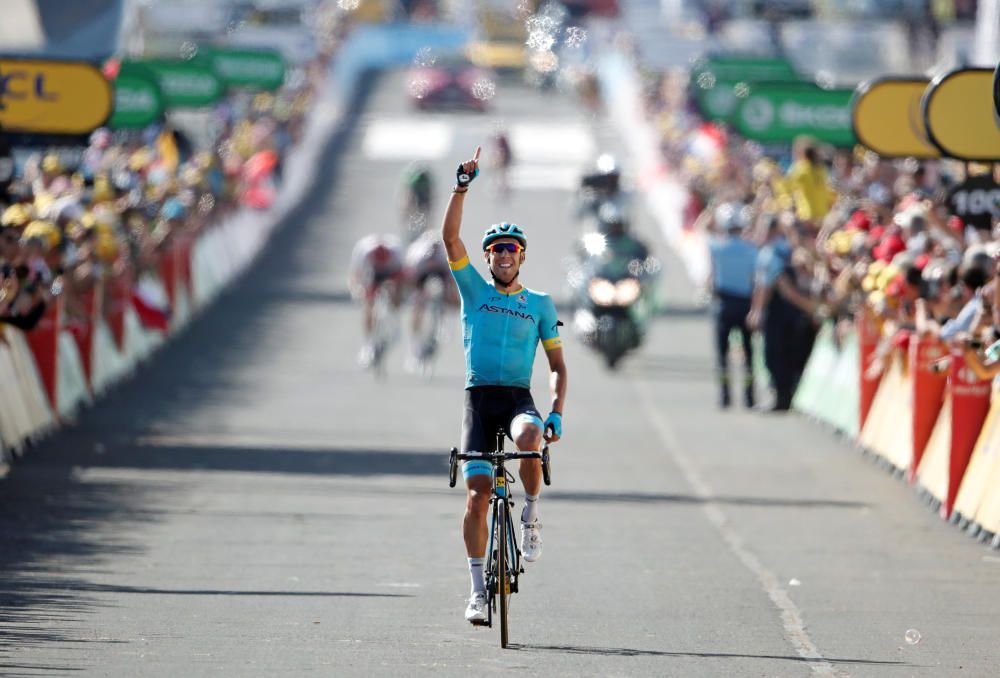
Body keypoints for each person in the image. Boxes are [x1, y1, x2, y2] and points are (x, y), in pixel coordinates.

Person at [442, 147, 567, 624]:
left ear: (523, 256)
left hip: (518, 398)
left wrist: (556, 409)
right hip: (479, 398)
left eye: (512, 249)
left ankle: (531, 514)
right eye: (496, 249)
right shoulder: (474, 289)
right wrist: (461, 187)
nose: (504, 255)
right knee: (476, 492)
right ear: (489, 256)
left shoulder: (539, 303)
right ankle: (476, 592)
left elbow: (557, 365)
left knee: (531, 440)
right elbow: (451, 238)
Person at [707, 203, 758, 408]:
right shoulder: (751, 249)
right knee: (748, 352)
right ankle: (749, 397)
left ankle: (725, 396)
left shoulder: (716, 246)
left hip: (723, 303)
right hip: (745, 303)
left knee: (722, 355)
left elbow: (704, 227)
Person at [403, 228, 458, 366]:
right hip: (420, 272)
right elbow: (410, 283)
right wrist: (418, 297)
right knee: (417, 303)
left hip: (441, 270)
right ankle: (415, 342)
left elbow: (453, 280)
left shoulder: (445, 256)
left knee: (451, 296)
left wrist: (452, 297)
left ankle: (444, 322)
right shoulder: (418, 257)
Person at [348, 234, 405, 368]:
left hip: (392, 272)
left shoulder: (396, 252)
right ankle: (368, 342)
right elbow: (355, 276)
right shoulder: (363, 252)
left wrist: (397, 296)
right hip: (371, 272)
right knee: (369, 301)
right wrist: (358, 291)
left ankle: (393, 317)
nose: (381, 264)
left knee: (396, 293)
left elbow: (403, 276)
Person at [401, 164, 433, 244]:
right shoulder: (422, 182)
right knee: (420, 223)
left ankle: (419, 238)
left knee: (419, 224)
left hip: (419, 204)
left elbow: (410, 197)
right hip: (420, 204)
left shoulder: (419, 182)